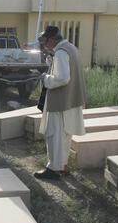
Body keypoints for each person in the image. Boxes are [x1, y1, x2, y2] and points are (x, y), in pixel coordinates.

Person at [34, 26, 87, 180]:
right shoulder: (71, 48)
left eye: (45, 41)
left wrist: (45, 78)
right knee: (64, 136)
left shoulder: (61, 52)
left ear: (51, 39)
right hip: (70, 101)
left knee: (54, 136)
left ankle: (54, 169)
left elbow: (63, 78)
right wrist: (52, 62)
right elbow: (66, 70)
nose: (44, 45)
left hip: (60, 102)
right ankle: (62, 166)